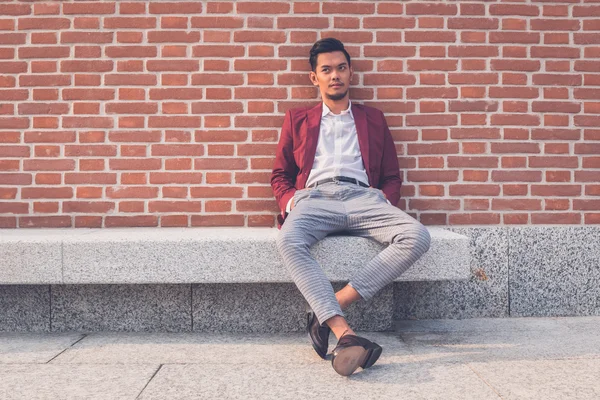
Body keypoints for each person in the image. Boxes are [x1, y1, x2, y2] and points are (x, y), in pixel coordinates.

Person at [270, 38, 431, 376]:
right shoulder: (298, 119)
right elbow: (280, 175)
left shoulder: (373, 119)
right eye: (326, 70)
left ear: (351, 72)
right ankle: (344, 332)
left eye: (341, 68)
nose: (335, 76)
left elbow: (391, 175)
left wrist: (383, 200)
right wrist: (290, 201)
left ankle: (328, 309)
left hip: (364, 198)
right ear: (314, 78)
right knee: (288, 240)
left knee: (416, 236)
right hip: (314, 198)